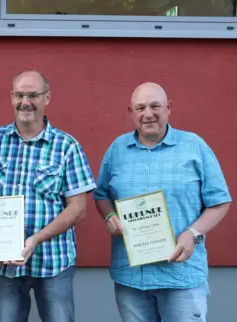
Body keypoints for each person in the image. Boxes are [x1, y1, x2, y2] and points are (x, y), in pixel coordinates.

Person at [93, 82, 232, 322]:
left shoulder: (194, 147)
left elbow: (220, 202)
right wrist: (109, 216)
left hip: (181, 276)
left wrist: (193, 233)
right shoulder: (117, 150)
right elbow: (102, 194)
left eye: (155, 106)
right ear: (131, 112)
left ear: (168, 108)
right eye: (141, 108)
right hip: (131, 277)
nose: (148, 114)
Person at [0, 70, 96, 322]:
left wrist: (36, 239)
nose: (25, 102)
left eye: (33, 95)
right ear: (11, 97)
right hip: (4, 265)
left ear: (47, 98)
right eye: (19, 95)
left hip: (53, 262)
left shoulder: (66, 146)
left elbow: (78, 208)